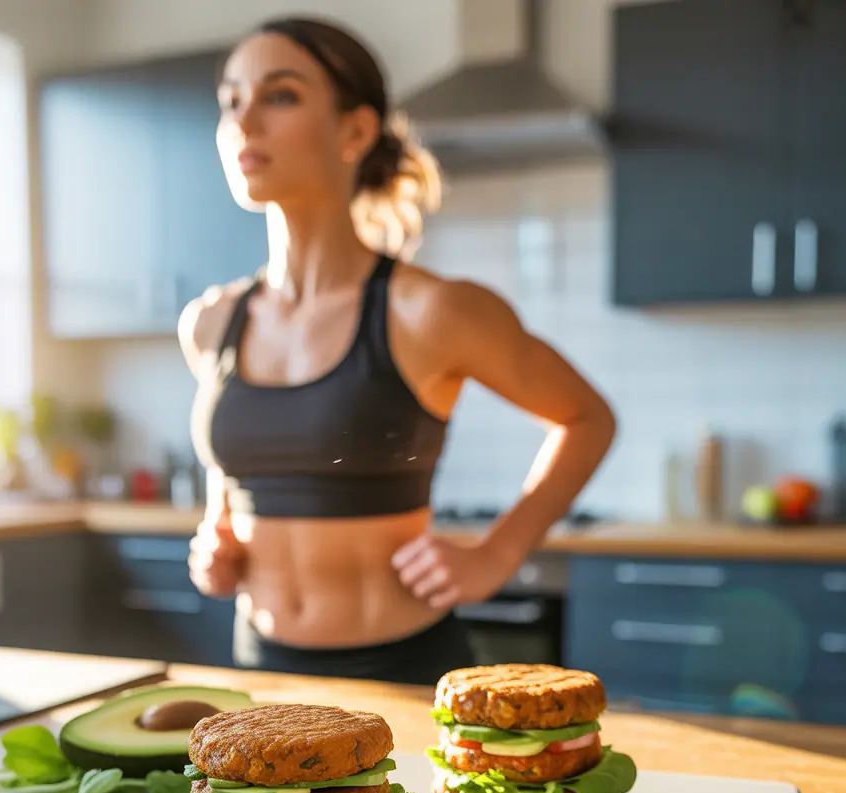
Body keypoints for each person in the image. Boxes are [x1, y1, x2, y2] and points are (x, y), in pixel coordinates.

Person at [180, 17, 616, 686]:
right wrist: (218, 537)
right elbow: (232, 470)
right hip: (263, 672)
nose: (243, 121)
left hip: (402, 671)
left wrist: (497, 555)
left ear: (356, 131)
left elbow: (587, 418)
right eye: (231, 100)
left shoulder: (430, 311)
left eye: (280, 95)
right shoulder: (211, 322)